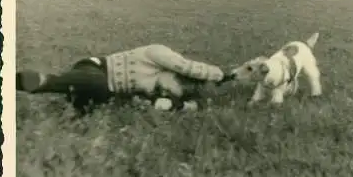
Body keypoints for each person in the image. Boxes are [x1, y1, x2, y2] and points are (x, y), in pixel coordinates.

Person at [16, 44, 225, 114]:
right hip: (95, 70)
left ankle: (70, 98)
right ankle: (37, 82)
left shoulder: (154, 91)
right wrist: (223, 75)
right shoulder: (158, 53)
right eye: (170, 88)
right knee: (95, 84)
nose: (163, 92)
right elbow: (186, 66)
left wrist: (187, 105)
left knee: (96, 101)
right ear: (176, 75)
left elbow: (162, 104)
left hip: (100, 93)